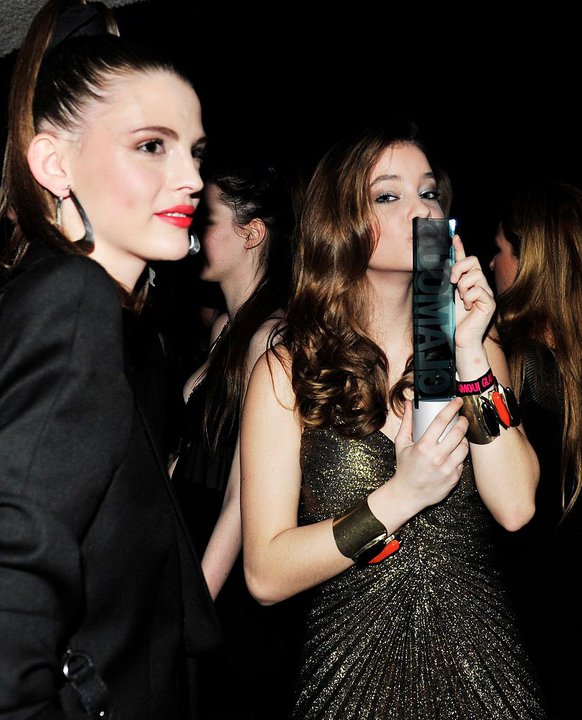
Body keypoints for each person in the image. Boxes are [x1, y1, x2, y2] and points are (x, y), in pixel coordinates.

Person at [240, 122, 548, 719]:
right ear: (341, 222)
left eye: (429, 192)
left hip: (479, 664)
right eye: (389, 195)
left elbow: (516, 507)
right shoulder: (289, 369)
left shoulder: (473, 349)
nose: (421, 210)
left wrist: (469, 352)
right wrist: (401, 496)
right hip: (350, 671)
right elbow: (265, 573)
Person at [0, 0, 221, 716]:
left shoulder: (97, 313)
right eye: (152, 146)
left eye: (195, 151)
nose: (192, 179)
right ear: (53, 163)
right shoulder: (72, 299)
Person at [170, 161, 306, 718]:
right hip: (185, 547)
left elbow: (240, 498)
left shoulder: (272, 336)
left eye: (207, 219)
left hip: (222, 577)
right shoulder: (224, 329)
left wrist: (194, 605)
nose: (191, 227)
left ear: (252, 234)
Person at [489, 180, 582, 719]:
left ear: (530, 263)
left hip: (524, 612)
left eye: (500, 249)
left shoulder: (506, 358)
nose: (492, 263)